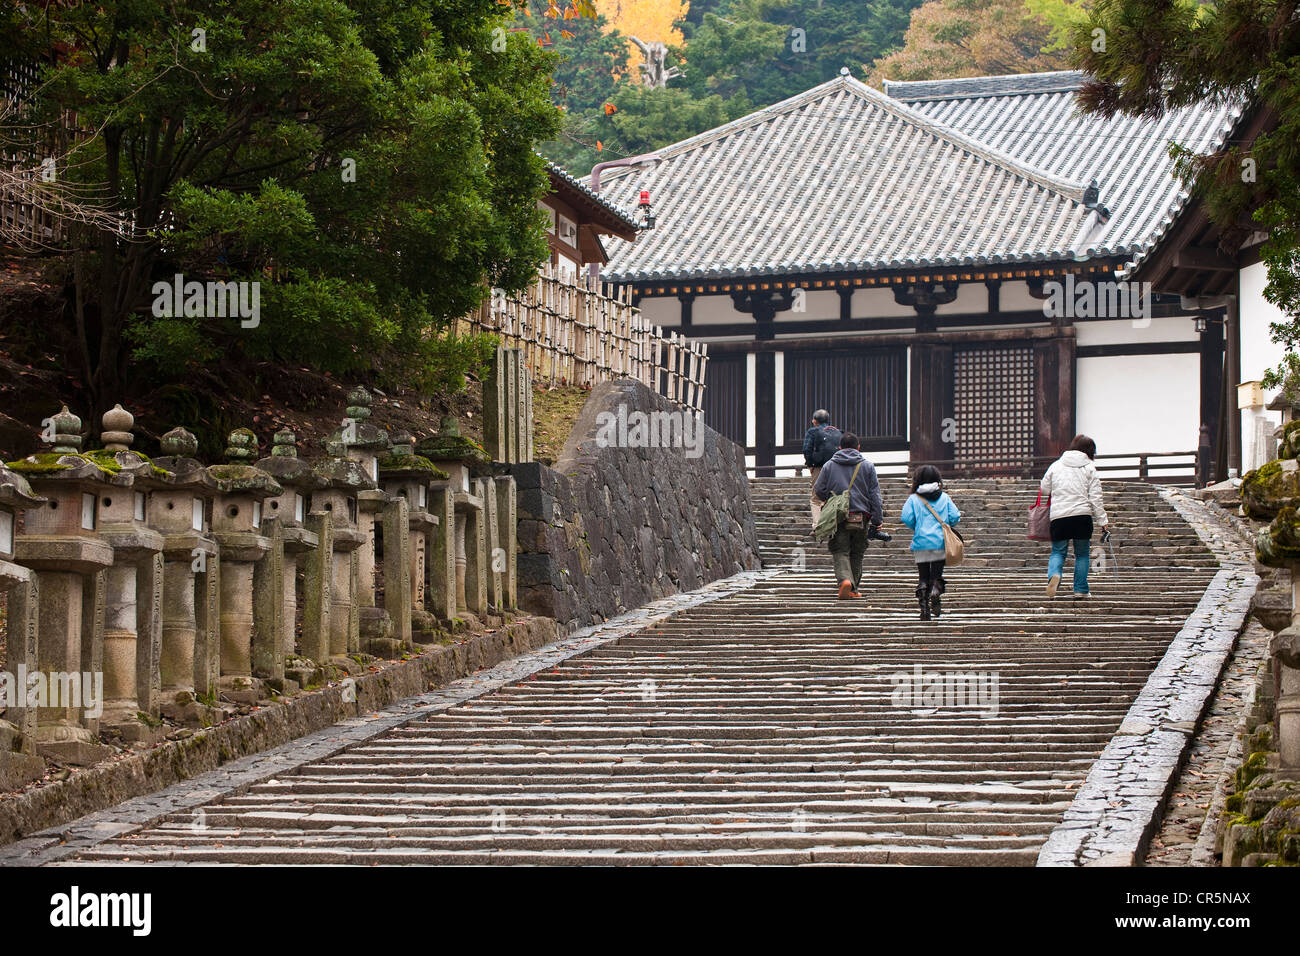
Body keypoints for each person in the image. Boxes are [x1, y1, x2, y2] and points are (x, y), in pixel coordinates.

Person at [813, 432, 884, 599]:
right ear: (858, 447)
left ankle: (845, 580)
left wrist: (831, 499)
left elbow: (819, 489)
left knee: (840, 550)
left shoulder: (829, 465)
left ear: (839, 447)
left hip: (838, 516)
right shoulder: (867, 466)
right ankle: (853, 588)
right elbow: (875, 495)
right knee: (857, 552)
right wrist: (877, 519)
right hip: (862, 515)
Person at [1040, 434, 1110, 600]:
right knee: (1082, 554)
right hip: (1082, 516)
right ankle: (1080, 589)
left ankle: (1054, 575)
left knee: (1058, 552)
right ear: (1089, 451)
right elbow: (1096, 497)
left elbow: (1044, 489)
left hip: (1059, 516)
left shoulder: (1056, 466)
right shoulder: (1089, 468)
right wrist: (1103, 521)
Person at [900, 465, 961, 621]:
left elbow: (906, 518)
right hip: (940, 542)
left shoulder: (914, 498)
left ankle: (924, 610)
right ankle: (935, 590)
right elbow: (955, 516)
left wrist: (918, 527)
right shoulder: (944, 497)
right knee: (936, 574)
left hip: (921, 542)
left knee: (923, 576)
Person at [802, 409, 842, 529]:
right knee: (833, 495)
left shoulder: (813, 431)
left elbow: (806, 449)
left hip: (819, 467)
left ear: (815, 421)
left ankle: (818, 526)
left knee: (816, 498)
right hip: (836, 467)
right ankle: (833, 524)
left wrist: (810, 465)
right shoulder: (836, 432)